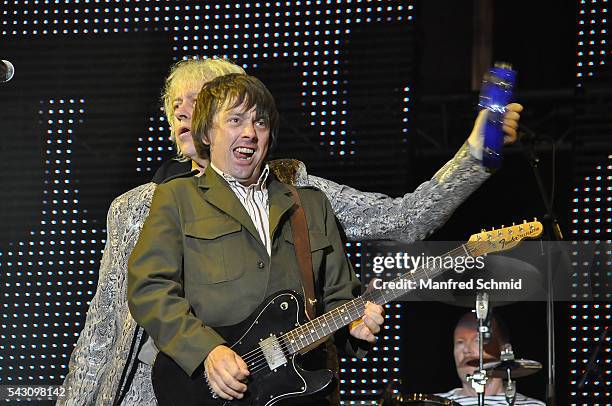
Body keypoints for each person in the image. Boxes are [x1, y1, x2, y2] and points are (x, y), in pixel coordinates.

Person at [58, 58, 523, 406]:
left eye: (198, 99)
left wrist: (476, 156)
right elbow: (101, 332)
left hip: (288, 386)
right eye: (174, 105)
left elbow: (403, 220)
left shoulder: (294, 187)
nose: (183, 111)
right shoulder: (137, 207)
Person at [127, 73, 384, 404]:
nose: (249, 132)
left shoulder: (309, 204)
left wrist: (356, 325)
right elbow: (149, 287)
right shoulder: (177, 198)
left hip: (296, 391)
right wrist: (207, 351)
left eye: (260, 123)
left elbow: (339, 295)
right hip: (209, 389)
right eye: (235, 120)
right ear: (207, 132)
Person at [436, 312, 545, 405]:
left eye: (478, 340)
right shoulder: (434, 402)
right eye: (460, 342)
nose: (466, 350)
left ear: (505, 351)